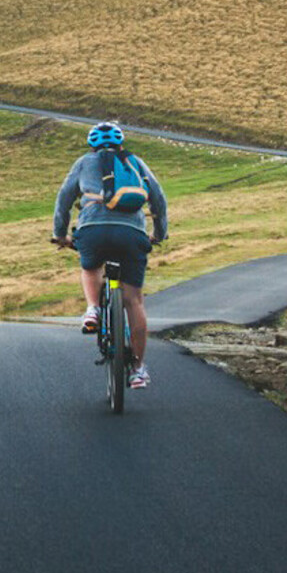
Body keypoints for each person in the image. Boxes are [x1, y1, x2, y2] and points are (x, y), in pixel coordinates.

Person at [52, 122, 168, 389]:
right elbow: (158, 200)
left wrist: (60, 235)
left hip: (93, 229)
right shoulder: (135, 162)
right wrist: (159, 234)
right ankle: (138, 370)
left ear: (92, 145)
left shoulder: (84, 162)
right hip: (132, 233)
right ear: (121, 143)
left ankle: (93, 309)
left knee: (91, 267)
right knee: (134, 301)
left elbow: (64, 200)